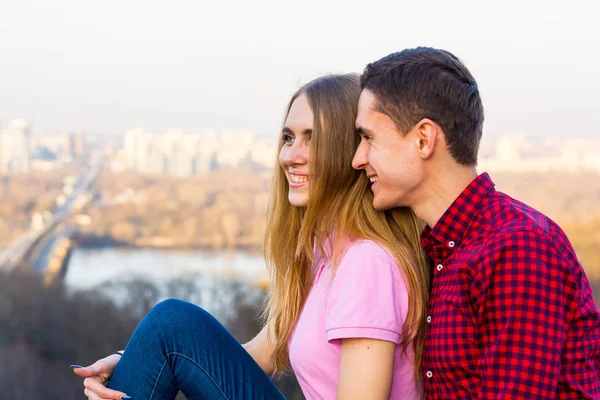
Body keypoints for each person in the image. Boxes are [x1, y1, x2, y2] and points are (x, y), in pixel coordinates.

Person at [72, 73, 431, 400]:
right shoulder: (326, 255)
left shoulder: (365, 262)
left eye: (313, 139)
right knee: (170, 328)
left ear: (350, 152)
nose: (291, 155)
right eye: (289, 138)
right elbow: (257, 354)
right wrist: (136, 359)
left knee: (172, 321)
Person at [352, 46, 600, 399]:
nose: (357, 159)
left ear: (424, 139)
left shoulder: (517, 248)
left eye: (368, 138)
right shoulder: (443, 250)